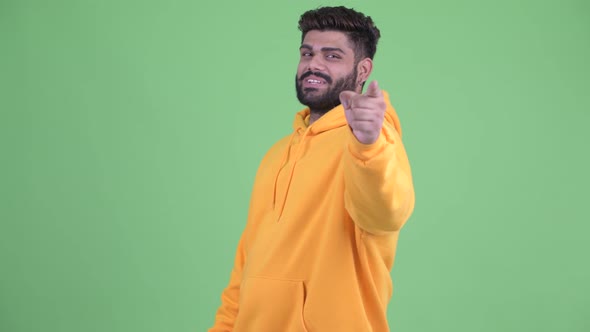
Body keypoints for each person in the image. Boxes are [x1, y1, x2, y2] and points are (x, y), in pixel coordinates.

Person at [209, 6, 415, 332]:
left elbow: (385, 212)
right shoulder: (276, 155)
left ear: (363, 70)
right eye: (307, 53)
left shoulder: (372, 142)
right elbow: (245, 269)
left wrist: (367, 144)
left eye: (332, 56)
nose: (313, 64)